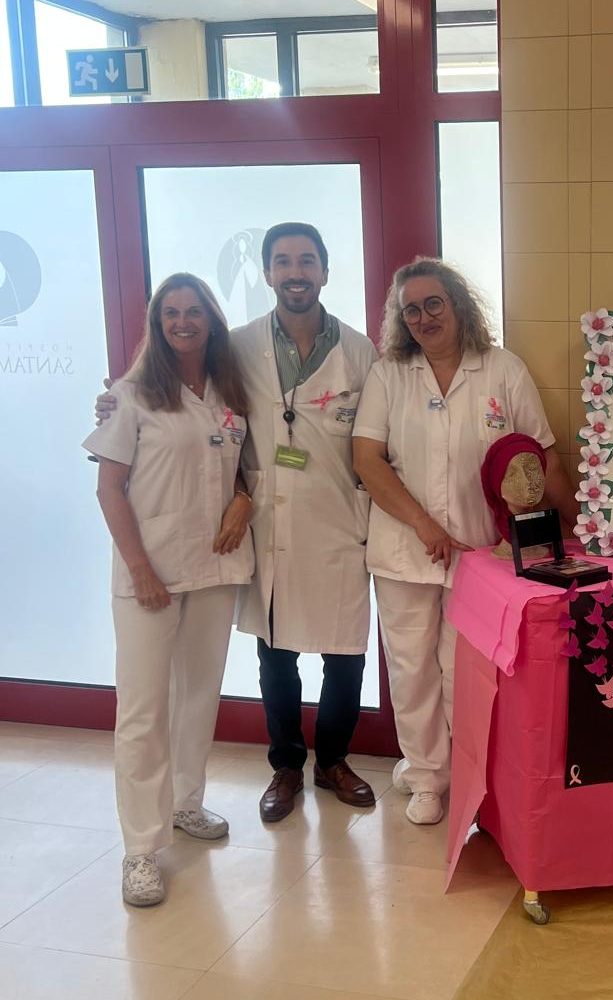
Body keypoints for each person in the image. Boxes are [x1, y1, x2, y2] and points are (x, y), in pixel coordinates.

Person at [98, 223, 379, 822]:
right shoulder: (239, 347)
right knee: (275, 653)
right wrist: (114, 399)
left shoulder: (361, 352)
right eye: (284, 261)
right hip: (266, 525)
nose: (296, 272)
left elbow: (381, 435)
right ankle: (286, 765)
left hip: (337, 521)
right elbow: (173, 383)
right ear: (268, 273)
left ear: (325, 271)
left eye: (307, 261)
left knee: (345, 654)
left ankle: (333, 760)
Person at [352, 258, 574, 824]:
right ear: (401, 319)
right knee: (411, 670)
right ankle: (427, 777)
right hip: (405, 549)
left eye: (434, 304)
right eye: (411, 310)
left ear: (457, 305)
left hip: (481, 553)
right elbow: (367, 460)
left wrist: (577, 525)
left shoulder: (502, 369)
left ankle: (468, 773)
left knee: (465, 671)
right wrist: (422, 522)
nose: (424, 317)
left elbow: (543, 456)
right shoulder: (389, 374)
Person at [84, 273, 254, 906]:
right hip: (149, 574)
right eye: (171, 313)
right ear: (157, 325)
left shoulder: (229, 392)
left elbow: (242, 466)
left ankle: (186, 802)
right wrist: (140, 570)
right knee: (143, 710)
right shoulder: (130, 396)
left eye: (194, 311)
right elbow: (109, 488)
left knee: (198, 696)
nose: (183, 322)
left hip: (213, 566)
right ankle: (140, 848)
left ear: (211, 320)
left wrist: (244, 500)